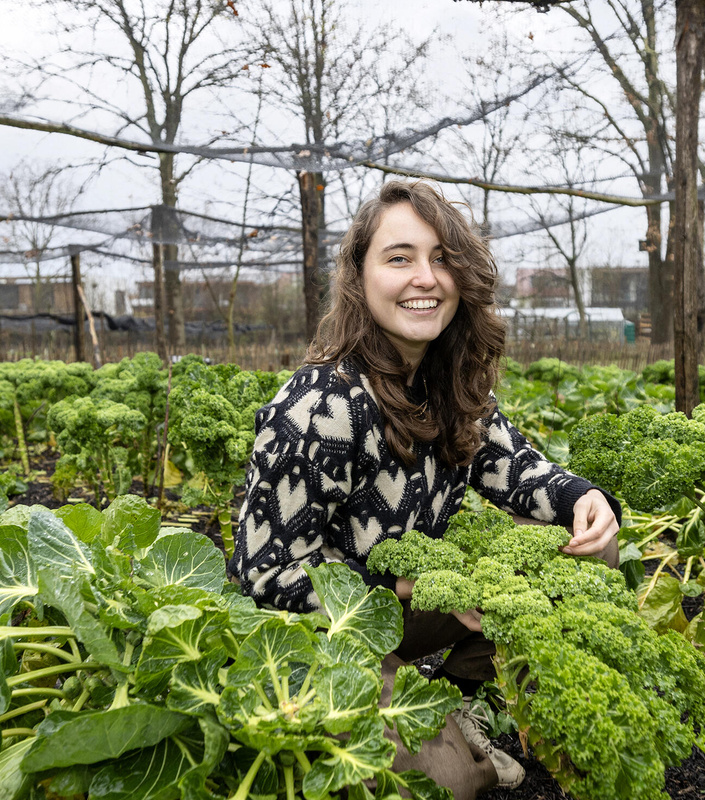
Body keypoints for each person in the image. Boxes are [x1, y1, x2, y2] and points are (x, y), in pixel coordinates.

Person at [229, 181, 622, 797]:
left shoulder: (448, 383)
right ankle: (469, 759)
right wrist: (410, 585)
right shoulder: (322, 405)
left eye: (442, 259)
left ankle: (459, 701)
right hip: (324, 631)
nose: (425, 277)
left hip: (409, 604)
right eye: (399, 257)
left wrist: (581, 499)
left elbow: (516, 469)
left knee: (585, 544)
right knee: (439, 783)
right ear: (359, 278)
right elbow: (266, 576)